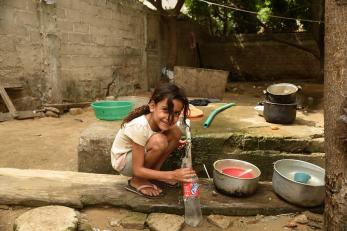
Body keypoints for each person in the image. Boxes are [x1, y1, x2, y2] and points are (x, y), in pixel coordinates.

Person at [111, 83, 196, 198]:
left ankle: (154, 173)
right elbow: (137, 169)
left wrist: (174, 141)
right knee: (159, 141)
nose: (170, 117)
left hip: (137, 155)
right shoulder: (139, 126)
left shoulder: (159, 122)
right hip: (124, 162)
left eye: (176, 113)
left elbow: (154, 135)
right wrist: (172, 175)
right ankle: (138, 181)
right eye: (166, 110)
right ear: (152, 106)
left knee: (176, 132)